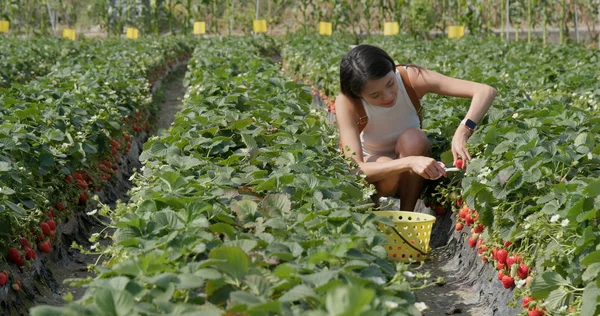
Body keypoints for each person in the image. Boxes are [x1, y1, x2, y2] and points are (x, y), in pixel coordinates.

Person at [335, 44, 496, 211]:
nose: (388, 96)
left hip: (411, 161)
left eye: (390, 83)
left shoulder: (409, 78)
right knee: (390, 170)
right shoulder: (348, 103)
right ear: (357, 94)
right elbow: (356, 169)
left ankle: (407, 216)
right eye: (375, 95)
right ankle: (372, 208)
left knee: (414, 138)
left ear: (392, 69)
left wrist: (464, 130)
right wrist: (410, 162)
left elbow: (485, 91)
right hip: (376, 169)